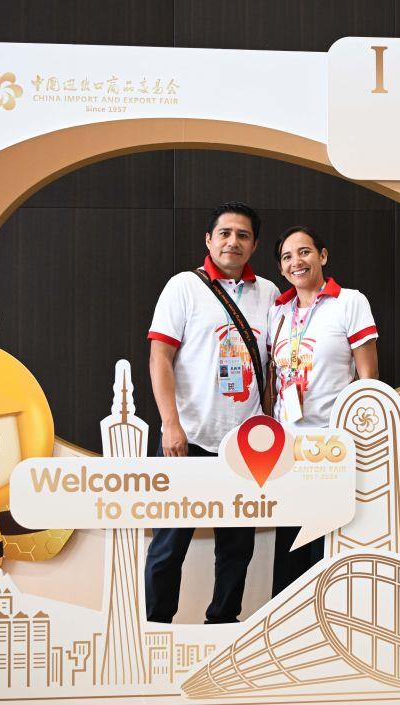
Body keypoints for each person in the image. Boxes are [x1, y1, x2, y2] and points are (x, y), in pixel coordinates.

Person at [145, 201, 279, 624]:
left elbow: (275, 365)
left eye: (243, 235)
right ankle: (156, 629)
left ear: (254, 245)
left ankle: (222, 625)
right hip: (187, 438)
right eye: (224, 233)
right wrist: (170, 425)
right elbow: (160, 357)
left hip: (245, 445)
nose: (232, 242)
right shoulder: (183, 287)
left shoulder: (269, 294)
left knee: (237, 548)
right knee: (169, 545)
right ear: (208, 239)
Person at [267, 226, 379, 596]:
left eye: (304, 252)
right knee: (289, 548)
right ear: (281, 268)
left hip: (333, 449)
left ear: (323, 256)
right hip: (288, 448)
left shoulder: (350, 302)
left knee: (325, 548)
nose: (296, 262)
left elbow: (369, 380)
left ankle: (323, 618)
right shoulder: (277, 312)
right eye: (287, 257)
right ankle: (284, 620)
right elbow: (274, 378)